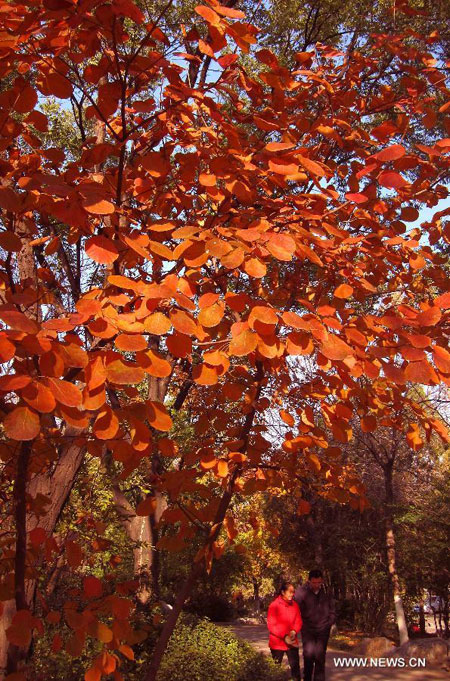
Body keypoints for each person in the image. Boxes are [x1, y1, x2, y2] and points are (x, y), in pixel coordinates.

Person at [294, 569, 335, 681]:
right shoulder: (301, 592)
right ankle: (307, 678)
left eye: (319, 582)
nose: (317, 585)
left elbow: (332, 610)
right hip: (308, 629)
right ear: (309, 581)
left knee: (320, 656)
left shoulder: (326, 592)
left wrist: (329, 623)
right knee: (308, 655)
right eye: (314, 582)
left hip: (323, 629)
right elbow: (295, 609)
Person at [267, 580, 303, 681]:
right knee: (275, 669)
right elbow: (272, 625)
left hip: (292, 642)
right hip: (277, 643)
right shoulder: (274, 605)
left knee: (295, 669)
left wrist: (294, 631)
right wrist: (284, 636)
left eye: (293, 592)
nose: (292, 594)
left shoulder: (295, 605)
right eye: (290, 592)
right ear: (283, 592)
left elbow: (298, 621)